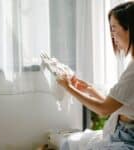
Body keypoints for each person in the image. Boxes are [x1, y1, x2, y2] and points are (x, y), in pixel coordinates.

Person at [57, 1, 134, 149]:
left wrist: (68, 88)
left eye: (114, 28)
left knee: (68, 144)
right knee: (68, 142)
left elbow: (104, 110)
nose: (112, 36)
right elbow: (115, 106)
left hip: (126, 136)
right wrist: (90, 90)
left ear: (129, 29)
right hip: (122, 131)